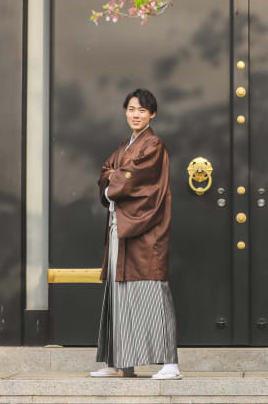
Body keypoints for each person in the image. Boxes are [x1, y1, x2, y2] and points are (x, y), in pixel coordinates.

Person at [90, 89, 181, 380]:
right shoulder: (124, 145)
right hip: (122, 226)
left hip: (145, 229)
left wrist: (112, 182)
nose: (135, 114)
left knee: (152, 291)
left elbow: (131, 177)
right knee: (120, 293)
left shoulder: (153, 144)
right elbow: (107, 171)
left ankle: (170, 363)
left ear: (152, 114)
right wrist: (112, 181)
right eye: (131, 109)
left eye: (142, 110)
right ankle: (120, 362)